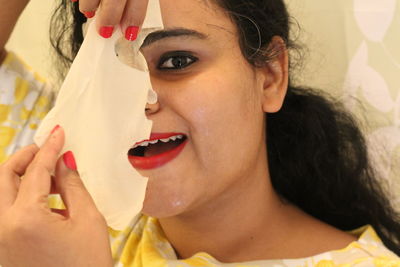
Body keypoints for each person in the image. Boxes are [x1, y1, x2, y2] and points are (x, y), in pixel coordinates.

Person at [0, 0, 399, 266]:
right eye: (111, 71)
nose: (140, 98)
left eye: (176, 60)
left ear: (271, 76)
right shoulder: (59, 221)